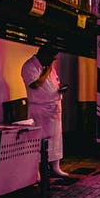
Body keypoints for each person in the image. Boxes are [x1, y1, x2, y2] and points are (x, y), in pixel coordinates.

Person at [22, 43, 72, 179]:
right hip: (40, 109)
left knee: (55, 138)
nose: (52, 61)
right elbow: (35, 84)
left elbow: (54, 82)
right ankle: (36, 171)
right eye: (51, 58)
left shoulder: (49, 66)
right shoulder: (29, 66)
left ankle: (55, 167)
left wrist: (59, 89)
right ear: (44, 54)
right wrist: (47, 71)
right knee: (39, 139)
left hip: (53, 107)